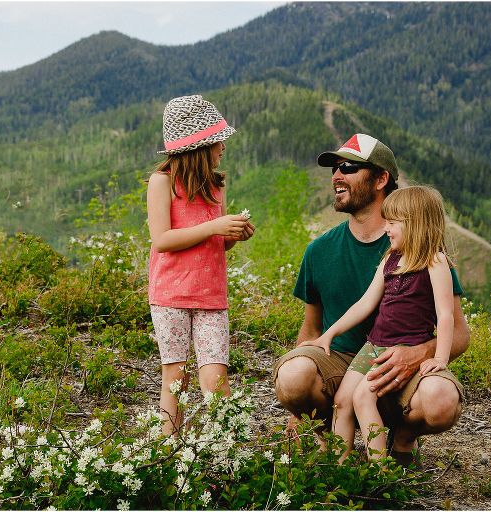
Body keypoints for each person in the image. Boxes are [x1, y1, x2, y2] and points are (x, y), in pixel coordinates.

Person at [273, 133, 469, 465]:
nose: (337, 176)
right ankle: (333, 450)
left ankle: (403, 442)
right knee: (293, 375)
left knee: (440, 399)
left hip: (399, 361)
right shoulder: (319, 251)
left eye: (348, 167)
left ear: (381, 179)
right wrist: (298, 409)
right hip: (344, 362)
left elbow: (460, 333)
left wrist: (418, 353)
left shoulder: (421, 253)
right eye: (334, 168)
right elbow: (311, 329)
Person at [302, 186, 457, 461]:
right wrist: (329, 334)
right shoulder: (390, 259)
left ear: (415, 224)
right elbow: (364, 304)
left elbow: (446, 315)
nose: (386, 228)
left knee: (363, 398)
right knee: (343, 401)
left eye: (393, 223)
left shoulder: (435, 262)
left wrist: (441, 357)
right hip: (373, 347)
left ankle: (377, 469)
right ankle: (340, 466)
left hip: (402, 349)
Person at [147, 95, 255, 434]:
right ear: (199, 146)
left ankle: (226, 453)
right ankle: (169, 452)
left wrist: (234, 235)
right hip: (170, 296)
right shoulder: (161, 183)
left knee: (215, 379)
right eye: (217, 140)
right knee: (175, 378)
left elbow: (213, 245)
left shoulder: (217, 185)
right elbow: (162, 240)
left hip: (211, 295)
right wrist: (214, 227)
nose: (223, 146)